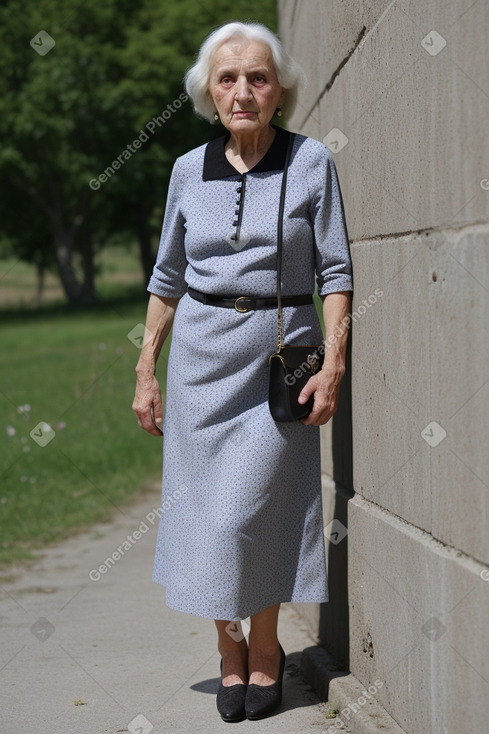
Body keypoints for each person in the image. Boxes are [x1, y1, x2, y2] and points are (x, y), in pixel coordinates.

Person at [132, 20, 353, 723]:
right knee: (207, 520)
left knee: (252, 515)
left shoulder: (310, 161)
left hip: (279, 360)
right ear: (207, 91)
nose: (242, 90)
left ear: (279, 88)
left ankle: (266, 652)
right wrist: (146, 368)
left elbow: (336, 270)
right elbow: (166, 276)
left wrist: (336, 360)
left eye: (257, 77)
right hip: (201, 363)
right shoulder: (186, 171)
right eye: (227, 78)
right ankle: (232, 657)